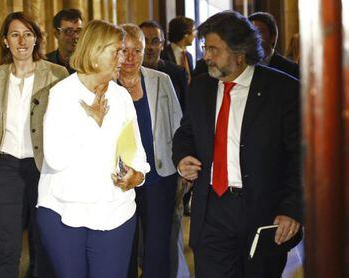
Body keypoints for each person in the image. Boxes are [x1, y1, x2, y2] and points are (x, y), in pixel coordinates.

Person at [172, 10, 303, 278]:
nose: (206, 56)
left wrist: (291, 210)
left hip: (262, 212)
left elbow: (301, 158)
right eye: (204, 47)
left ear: (240, 52)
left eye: (213, 49)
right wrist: (183, 157)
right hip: (212, 211)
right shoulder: (200, 88)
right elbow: (186, 134)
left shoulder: (283, 91)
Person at [36, 20, 150, 278]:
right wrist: (91, 123)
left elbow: (135, 152)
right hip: (65, 212)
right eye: (117, 51)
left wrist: (138, 175)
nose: (125, 58)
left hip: (115, 211)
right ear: (96, 52)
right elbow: (55, 158)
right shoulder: (62, 94)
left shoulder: (121, 96)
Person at [0, 12, 69, 278]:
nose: (21, 40)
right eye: (15, 34)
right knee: (8, 245)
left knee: (43, 242)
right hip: (6, 168)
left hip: (43, 168)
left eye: (28, 34)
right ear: (5, 41)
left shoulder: (57, 74)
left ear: (36, 39)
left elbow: (67, 128)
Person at [118, 24, 182, 278]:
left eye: (138, 50)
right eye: (125, 50)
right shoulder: (106, 84)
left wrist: (181, 168)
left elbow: (177, 124)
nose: (131, 57)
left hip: (159, 176)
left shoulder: (160, 80)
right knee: (125, 244)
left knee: (158, 245)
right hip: (119, 181)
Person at [139, 20, 188, 111]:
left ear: (162, 45)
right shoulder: (128, 74)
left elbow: (185, 110)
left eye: (155, 41)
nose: (150, 47)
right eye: (145, 41)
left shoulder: (177, 73)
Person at [248, 11, 299, 78]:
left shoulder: (291, 69)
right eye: (250, 32)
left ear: (273, 37)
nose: (254, 37)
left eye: (259, 32)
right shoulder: (242, 66)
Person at [46, 8, 83, 74]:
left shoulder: (88, 63)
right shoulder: (45, 63)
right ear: (56, 33)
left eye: (78, 31)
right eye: (69, 31)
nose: (76, 36)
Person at [161, 16, 196, 83]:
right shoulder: (164, 54)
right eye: (194, 31)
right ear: (186, 34)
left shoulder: (189, 56)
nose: (195, 35)